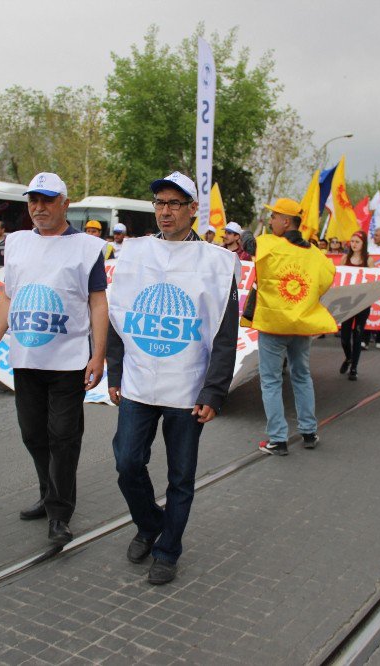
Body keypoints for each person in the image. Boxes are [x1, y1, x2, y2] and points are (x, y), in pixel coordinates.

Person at [106, 171, 239, 585]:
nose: (165, 211)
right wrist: (114, 371)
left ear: (192, 210)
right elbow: (118, 315)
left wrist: (214, 391)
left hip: (187, 386)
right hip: (140, 381)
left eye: (174, 204)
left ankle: (167, 550)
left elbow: (224, 331)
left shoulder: (217, 262)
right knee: (127, 462)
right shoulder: (133, 252)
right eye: (160, 203)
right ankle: (150, 524)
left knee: (180, 475)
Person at [0, 172, 108, 546]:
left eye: (47, 200)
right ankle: (47, 491)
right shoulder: (17, 244)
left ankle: (59, 512)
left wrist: (98, 355)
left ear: (65, 204)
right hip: (26, 358)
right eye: (33, 200)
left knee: (64, 437)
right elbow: (8, 296)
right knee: (33, 434)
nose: (38, 208)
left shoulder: (87, 247)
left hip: (68, 361)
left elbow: (98, 302)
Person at [249, 197, 336, 456]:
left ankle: (278, 438)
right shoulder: (314, 253)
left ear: (286, 222)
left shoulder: (269, 244)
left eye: (274, 216)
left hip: (274, 325)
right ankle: (309, 432)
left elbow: (247, 246)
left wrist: (245, 234)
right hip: (300, 325)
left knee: (271, 381)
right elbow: (326, 278)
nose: (271, 220)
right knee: (301, 376)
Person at [339, 231, 374, 381]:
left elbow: (374, 280)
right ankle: (348, 358)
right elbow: (339, 277)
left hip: (362, 302)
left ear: (363, 244)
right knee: (344, 338)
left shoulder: (369, 260)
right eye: (352, 241)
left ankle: (354, 368)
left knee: (358, 334)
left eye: (357, 242)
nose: (354, 244)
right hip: (347, 302)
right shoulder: (345, 258)